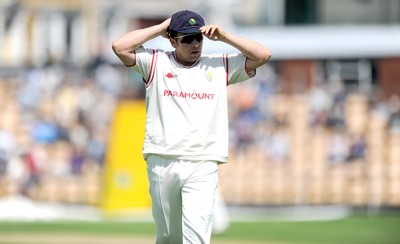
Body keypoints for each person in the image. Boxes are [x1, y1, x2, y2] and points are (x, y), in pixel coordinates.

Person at [112, 10, 271, 244]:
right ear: (173, 40)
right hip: (162, 158)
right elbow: (119, 47)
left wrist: (225, 37)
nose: (195, 44)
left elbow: (263, 55)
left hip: (203, 161)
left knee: (197, 236)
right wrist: (160, 27)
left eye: (198, 38)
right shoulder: (156, 61)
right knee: (168, 237)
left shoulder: (219, 66)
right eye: (187, 39)